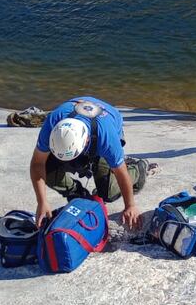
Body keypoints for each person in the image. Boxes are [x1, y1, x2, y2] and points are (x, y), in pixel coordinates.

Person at [30, 96, 149, 229]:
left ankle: (138, 169)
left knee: (108, 192)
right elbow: (37, 164)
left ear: (85, 141)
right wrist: (42, 202)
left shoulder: (107, 138)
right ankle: (78, 194)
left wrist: (130, 206)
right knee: (48, 169)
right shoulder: (53, 123)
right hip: (78, 112)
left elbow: (121, 173)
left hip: (107, 122)